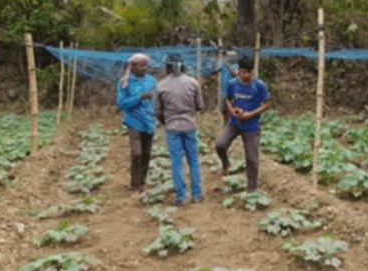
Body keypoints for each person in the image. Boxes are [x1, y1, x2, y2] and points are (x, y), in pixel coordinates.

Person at [214, 56, 272, 192]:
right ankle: (226, 164)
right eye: (243, 72)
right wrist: (232, 110)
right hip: (234, 123)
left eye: (248, 72)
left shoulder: (259, 85)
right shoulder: (232, 83)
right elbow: (228, 99)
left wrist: (250, 114)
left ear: (253, 71)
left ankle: (252, 189)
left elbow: (267, 104)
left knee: (252, 159)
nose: (245, 75)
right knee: (220, 145)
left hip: (251, 126)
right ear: (238, 71)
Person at [155, 54, 205, 205]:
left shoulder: (161, 85)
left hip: (172, 127)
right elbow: (200, 106)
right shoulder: (193, 83)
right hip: (190, 126)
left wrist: (166, 122)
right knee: (193, 160)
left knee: (176, 161)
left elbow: (157, 111)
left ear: (168, 67)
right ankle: (196, 194)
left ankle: (181, 197)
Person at [116, 53, 156, 193]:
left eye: (146, 65)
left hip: (148, 120)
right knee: (136, 153)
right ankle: (135, 183)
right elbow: (121, 103)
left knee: (146, 153)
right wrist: (139, 97)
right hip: (133, 121)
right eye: (141, 65)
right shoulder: (125, 82)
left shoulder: (152, 81)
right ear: (132, 66)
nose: (144, 68)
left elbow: (157, 100)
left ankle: (142, 182)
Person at [218, 50, 239, 126]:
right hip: (223, 91)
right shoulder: (223, 64)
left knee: (231, 109)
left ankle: (231, 126)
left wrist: (228, 65)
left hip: (232, 91)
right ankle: (225, 126)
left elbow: (236, 74)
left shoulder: (235, 65)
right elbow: (216, 70)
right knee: (224, 110)